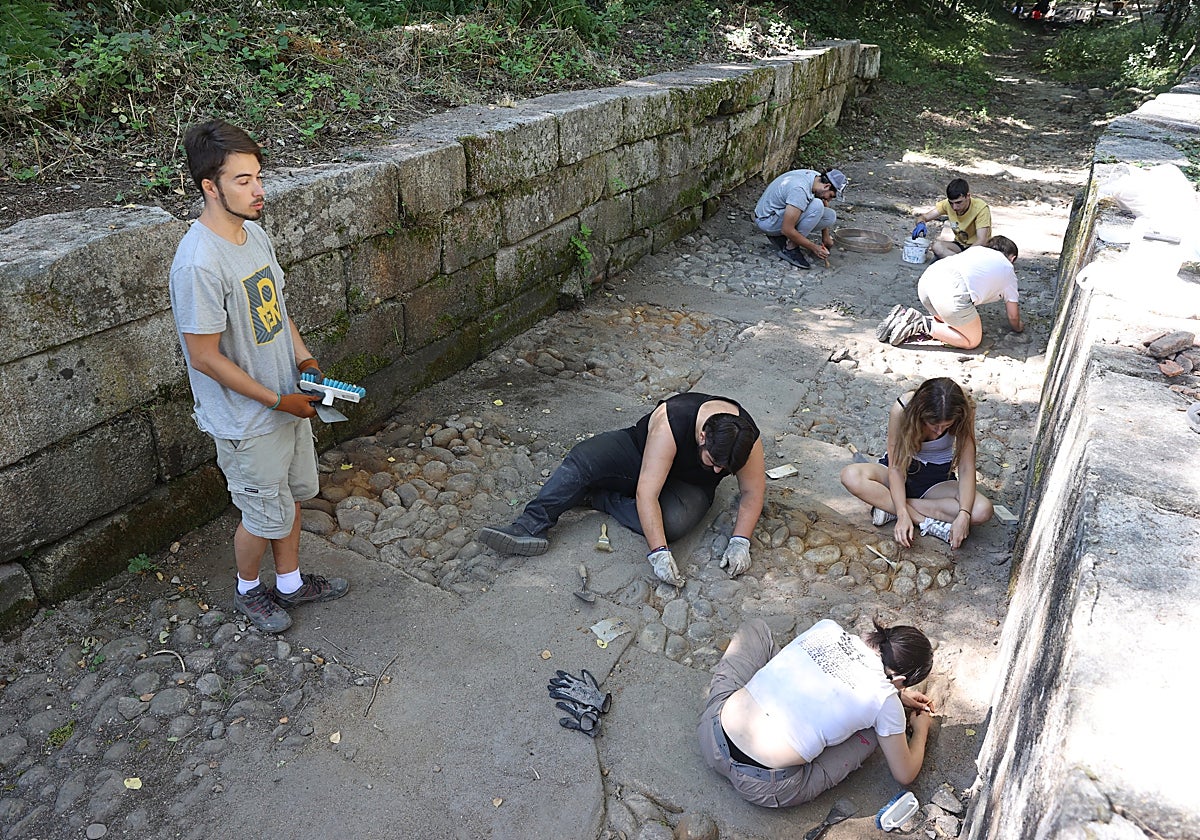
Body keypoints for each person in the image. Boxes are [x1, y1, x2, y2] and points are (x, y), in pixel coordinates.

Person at [169, 120, 348, 633]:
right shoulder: (198, 263)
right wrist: (274, 400)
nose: (258, 190)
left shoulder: (255, 234)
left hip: (286, 400)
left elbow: (277, 309)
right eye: (243, 180)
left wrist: (306, 362)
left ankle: (289, 583)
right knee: (259, 514)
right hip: (247, 419)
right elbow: (203, 356)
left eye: (258, 177)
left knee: (290, 498)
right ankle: (249, 590)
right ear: (210, 186)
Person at [477, 393, 765, 586]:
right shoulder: (673, 421)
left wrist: (741, 541)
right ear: (702, 437)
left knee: (671, 525)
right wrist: (659, 553)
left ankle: (597, 496)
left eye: (724, 470)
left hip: (689, 485)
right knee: (584, 459)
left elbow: (752, 492)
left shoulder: (745, 440)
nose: (718, 472)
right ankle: (529, 526)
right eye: (713, 462)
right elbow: (647, 493)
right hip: (639, 453)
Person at [698, 616, 935, 808]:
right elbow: (905, 774)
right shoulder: (885, 701)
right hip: (763, 786)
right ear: (901, 679)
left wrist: (898, 697)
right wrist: (920, 729)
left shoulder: (828, 628)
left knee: (756, 629)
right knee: (878, 732)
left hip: (711, 734)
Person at [839, 377, 993, 549]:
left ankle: (887, 505)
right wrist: (903, 514)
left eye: (946, 426)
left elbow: (966, 466)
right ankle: (924, 521)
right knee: (850, 475)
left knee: (981, 510)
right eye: (934, 426)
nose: (939, 432)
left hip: (936, 481)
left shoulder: (965, 411)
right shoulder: (903, 408)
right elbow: (896, 467)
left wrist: (964, 514)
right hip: (899, 472)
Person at [876, 235, 1023, 349]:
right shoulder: (1007, 269)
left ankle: (902, 318)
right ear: (1012, 258)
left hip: (928, 280)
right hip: (953, 290)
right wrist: (1019, 328)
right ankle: (922, 323)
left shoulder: (976, 250)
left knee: (949, 324)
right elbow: (1013, 316)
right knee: (972, 340)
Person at [753, 168, 848, 269]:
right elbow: (787, 229)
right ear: (827, 186)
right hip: (767, 220)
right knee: (816, 206)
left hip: (778, 214)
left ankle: (780, 237)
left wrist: (826, 236)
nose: (828, 199)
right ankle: (790, 249)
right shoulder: (799, 190)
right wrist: (815, 248)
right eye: (831, 196)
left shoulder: (817, 178)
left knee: (829, 216)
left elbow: (824, 202)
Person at [911, 178, 992, 260]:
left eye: (958, 202)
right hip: (960, 246)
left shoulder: (981, 208)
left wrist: (963, 256)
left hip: (978, 248)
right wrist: (920, 223)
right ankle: (961, 263)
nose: (954, 207)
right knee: (937, 247)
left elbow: (982, 241)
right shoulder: (947, 204)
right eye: (951, 203)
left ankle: (958, 262)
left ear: (968, 196)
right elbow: (923, 217)